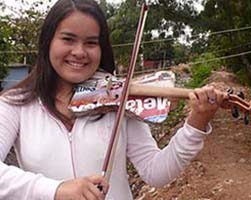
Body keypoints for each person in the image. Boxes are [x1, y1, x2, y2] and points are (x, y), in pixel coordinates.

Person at [0, 0, 226, 199]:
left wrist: (196, 124)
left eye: (91, 43)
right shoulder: (14, 104)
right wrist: (56, 190)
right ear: (48, 42)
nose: (79, 52)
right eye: (68, 39)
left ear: (102, 49)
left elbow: (155, 173)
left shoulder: (118, 99)